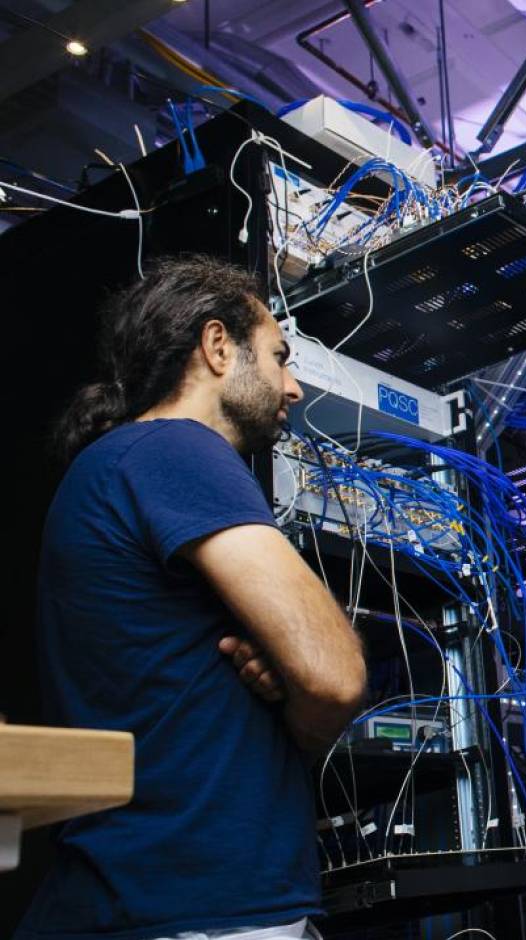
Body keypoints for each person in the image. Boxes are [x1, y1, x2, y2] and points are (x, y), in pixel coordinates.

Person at [19, 255, 366, 939]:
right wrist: (301, 701)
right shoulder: (177, 450)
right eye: (278, 356)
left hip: (145, 899)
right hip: (199, 904)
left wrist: (279, 670)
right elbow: (335, 676)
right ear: (216, 347)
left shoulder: (119, 463)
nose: (291, 387)